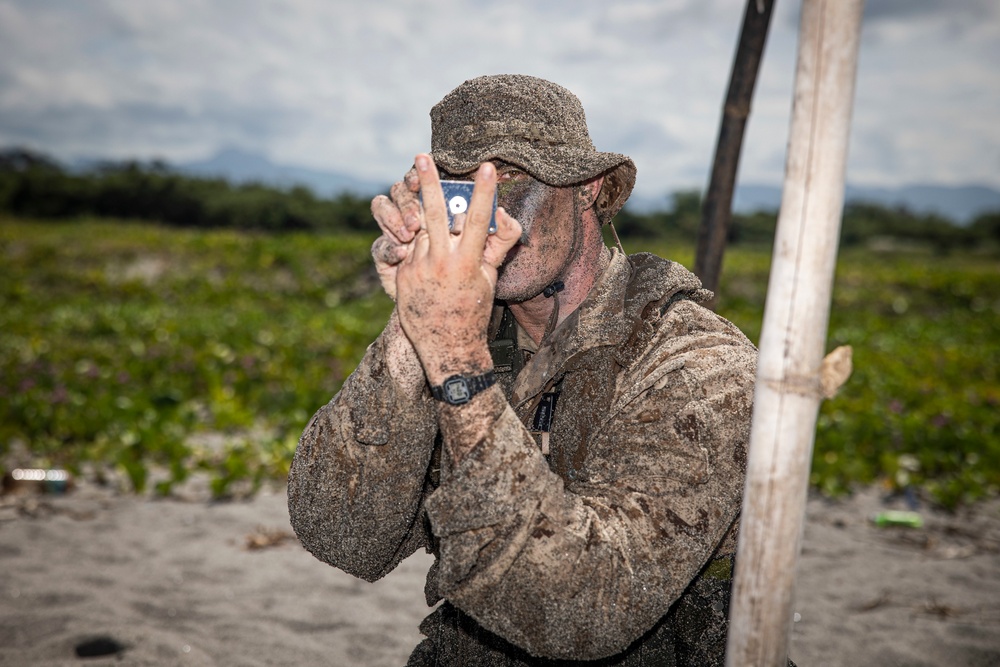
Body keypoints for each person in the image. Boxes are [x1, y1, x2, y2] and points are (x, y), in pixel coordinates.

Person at [288, 74, 757, 666]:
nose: (484, 217)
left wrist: (457, 360)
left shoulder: (697, 366)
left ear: (588, 188)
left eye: (507, 179)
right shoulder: (468, 331)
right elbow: (346, 536)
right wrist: (412, 332)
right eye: (459, 190)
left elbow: (585, 612)